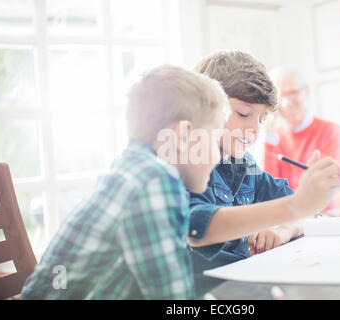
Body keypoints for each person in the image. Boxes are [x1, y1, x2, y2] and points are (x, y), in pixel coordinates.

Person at [21, 65, 229, 299]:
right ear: (182, 135)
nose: (218, 155)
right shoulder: (154, 181)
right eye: (214, 139)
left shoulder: (132, 167)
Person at [187, 51, 340, 296]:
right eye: (243, 114)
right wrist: (296, 205)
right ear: (206, 106)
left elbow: (307, 212)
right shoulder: (187, 161)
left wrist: (284, 229)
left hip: (248, 287)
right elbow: (199, 229)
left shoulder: (242, 164)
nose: (253, 129)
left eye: (261, 120)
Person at [264, 68, 340, 217]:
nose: (285, 103)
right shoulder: (273, 137)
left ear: (306, 92)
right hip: (292, 218)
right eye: (279, 96)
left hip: (329, 217)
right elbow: (269, 193)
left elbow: (324, 189)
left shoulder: (330, 131)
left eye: (292, 93)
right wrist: (268, 138)